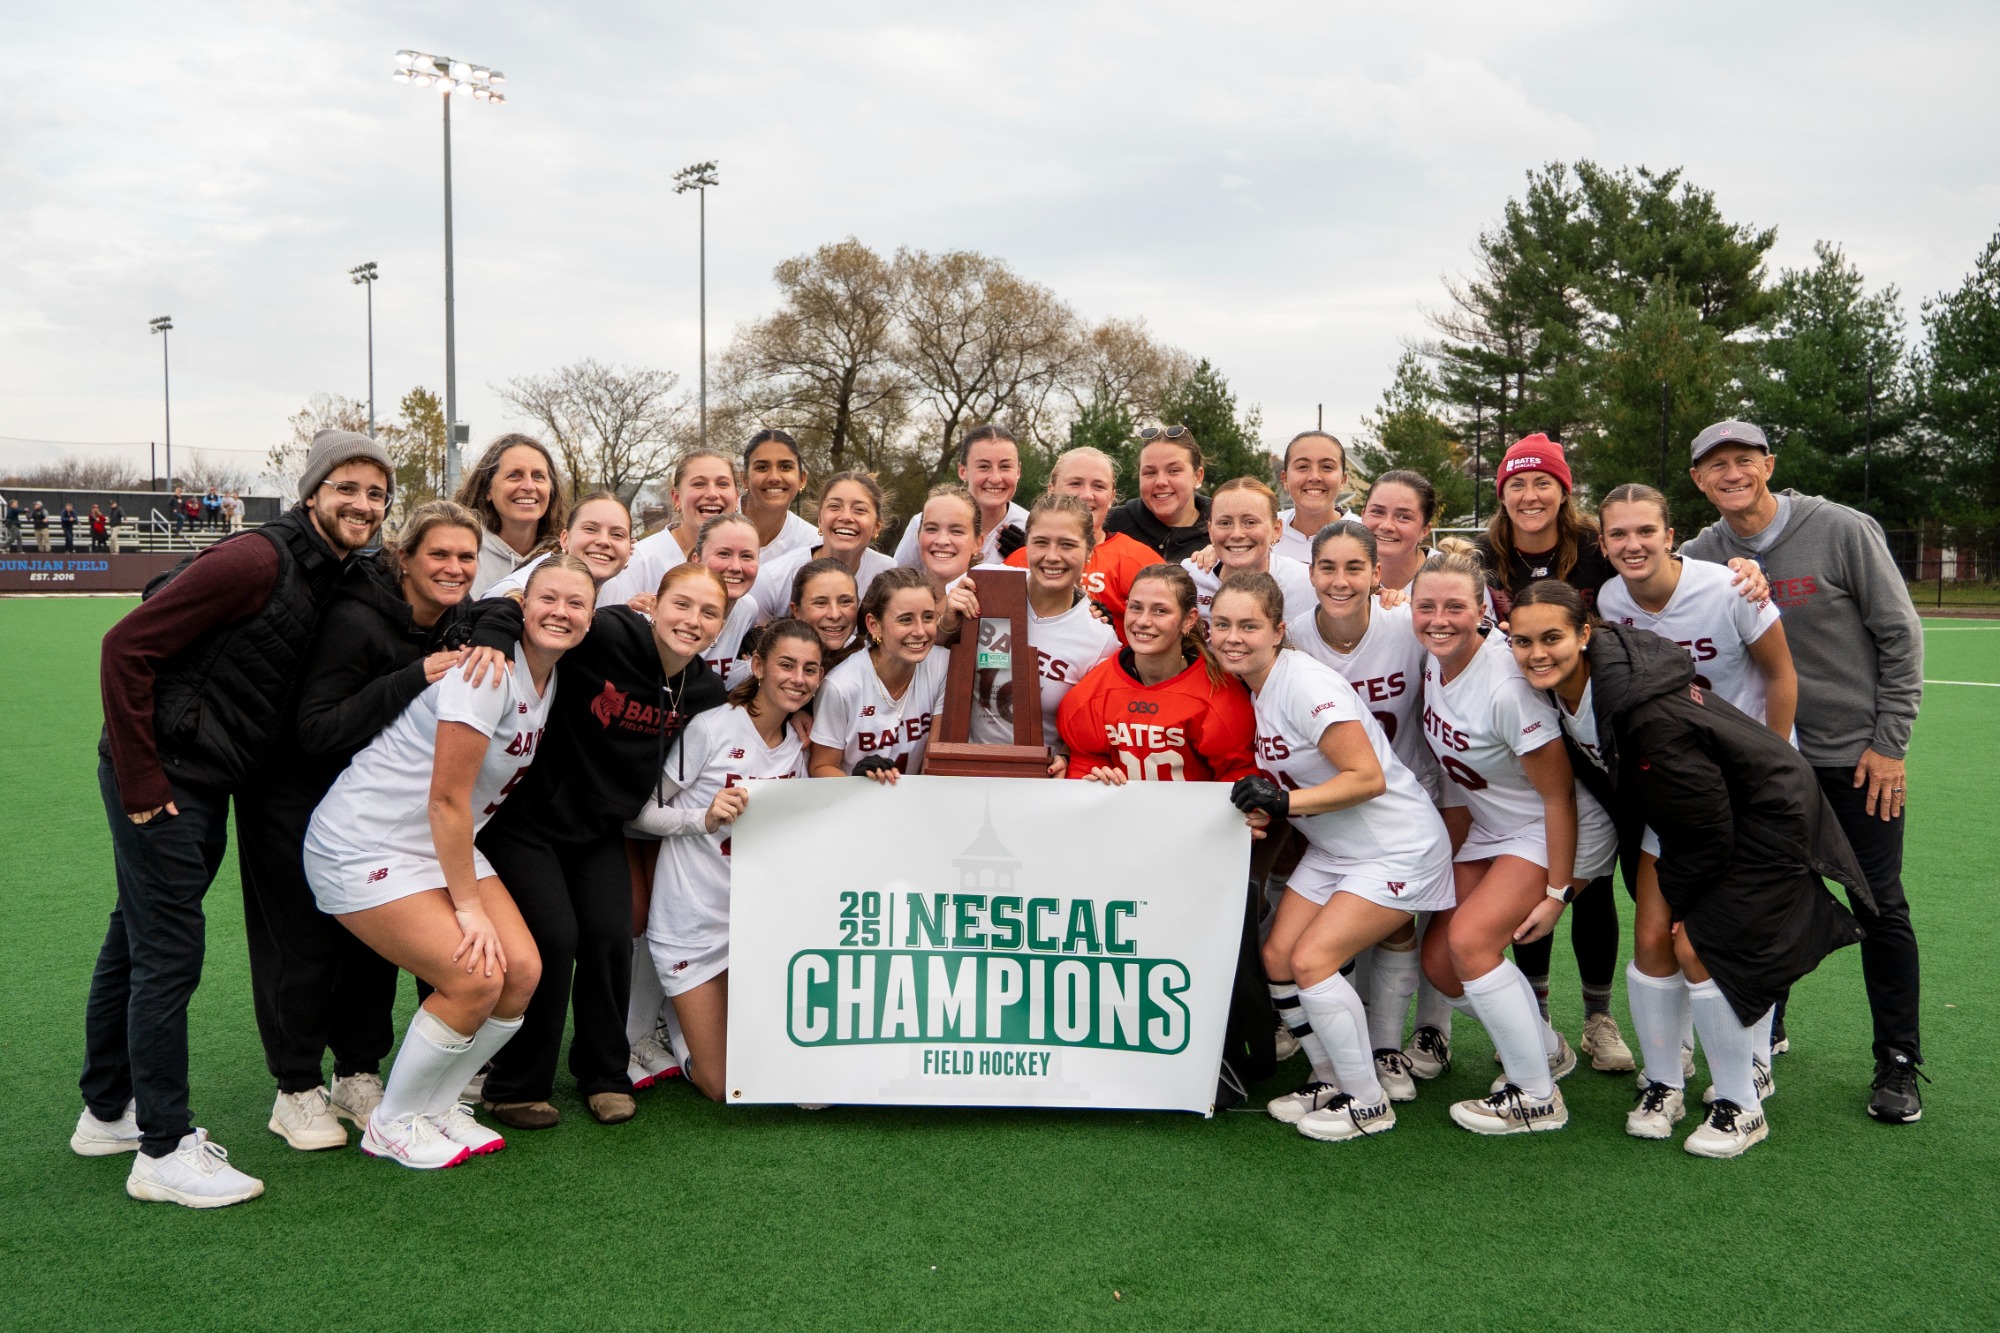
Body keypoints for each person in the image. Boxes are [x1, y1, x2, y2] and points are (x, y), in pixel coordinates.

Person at [71, 429, 393, 1208]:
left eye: (376, 492)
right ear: (311, 492)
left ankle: (107, 1109)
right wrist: (145, 774)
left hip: (210, 776)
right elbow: (126, 646)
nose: (362, 503)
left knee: (135, 934)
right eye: (345, 487)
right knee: (169, 953)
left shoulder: (349, 570)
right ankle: (163, 1149)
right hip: (165, 774)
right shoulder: (258, 557)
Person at [1508, 580, 1869, 1156]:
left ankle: (1740, 1104)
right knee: (1651, 939)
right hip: (1679, 811)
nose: (1537, 653)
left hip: (1757, 815)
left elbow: (1707, 824)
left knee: (1698, 947)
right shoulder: (1563, 686)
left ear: (1585, 634)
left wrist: (1691, 906)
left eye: (1552, 637)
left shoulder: (1644, 712)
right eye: (1522, 641)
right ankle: (1665, 1086)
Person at [1473, 438, 1766, 1076]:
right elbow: (1429, 594)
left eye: (1543, 484)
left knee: (1605, 883)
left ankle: (1602, 1018)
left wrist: (1746, 570)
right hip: (1524, 737)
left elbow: (1663, 561)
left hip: (1611, 739)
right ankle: (1539, 1015)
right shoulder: (1479, 558)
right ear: (1501, 493)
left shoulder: (1597, 550)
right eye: (1517, 485)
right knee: (1542, 874)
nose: (1531, 496)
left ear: (1563, 491)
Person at [242, 501, 512, 1152]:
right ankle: (295, 1086)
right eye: (438, 554)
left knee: (372, 950)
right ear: (405, 558)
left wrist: (497, 631)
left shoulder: (453, 616)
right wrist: (414, 674)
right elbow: (317, 728)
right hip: (296, 791)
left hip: (376, 802)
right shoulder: (357, 615)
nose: (453, 567)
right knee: (303, 946)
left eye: (466, 556)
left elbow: (504, 605)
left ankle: (357, 1072)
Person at [1678, 418, 1927, 1123]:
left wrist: (1890, 742)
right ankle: (1767, 1027)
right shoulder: (1701, 553)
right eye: (1715, 465)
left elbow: (1899, 635)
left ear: (1768, 464)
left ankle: (1899, 1061)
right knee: (1766, 896)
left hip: (1854, 756)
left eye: (1744, 459)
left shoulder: (1840, 529)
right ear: (1699, 480)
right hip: (1761, 763)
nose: (1731, 473)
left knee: (1879, 904)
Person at [304, 556, 590, 1167]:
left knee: (522, 975)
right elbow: (446, 800)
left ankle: (433, 1107)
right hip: (364, 845)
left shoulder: (548, 677)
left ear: (590, 621)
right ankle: (393, 1121)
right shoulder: (489, 673)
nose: (561, 612)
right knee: (474, 976)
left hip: (431, 844)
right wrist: (469, 907)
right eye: (549, 599)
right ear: (522, 606)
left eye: (577, 604)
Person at [470, 563, 731, 1130]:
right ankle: (516, 1085)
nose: (692, 620)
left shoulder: (706, 691)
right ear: (653, 606)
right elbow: (527, 613)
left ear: (721, 626)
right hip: (526, 818)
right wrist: (492, 631)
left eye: (709, 613)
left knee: (612, 937)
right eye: (681, 605)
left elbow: (752, 715)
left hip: (596, 830)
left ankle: (604, 1074)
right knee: (556, 939)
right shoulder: (609, 633)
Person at [1213, 571, 1455, 1142]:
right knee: (1277, 956)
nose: (1233, 637)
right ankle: (1331, 1079)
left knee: (1313, 961)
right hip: (1336, 847)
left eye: (1249, 625)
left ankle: (1368, 1101)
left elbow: (1366, 777)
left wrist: (1283, 800)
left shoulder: (1303, 683)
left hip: (1396, 847)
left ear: (1277, 631)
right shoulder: (1254, 685)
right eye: (1222, 624)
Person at [1409, 547, 1617, 1135]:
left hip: (1553, 827)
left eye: (1455, 606)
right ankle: (1545, 1047)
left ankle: (1535, 1096)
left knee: (1472, 943)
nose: (1438, 619)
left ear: (1483, 610)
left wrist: (1556, 892)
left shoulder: (1505, 685)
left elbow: (1559, 798)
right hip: (1496, 825)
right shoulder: (1435, 657)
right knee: (1440, 963)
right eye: (1426, 606)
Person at [630, 619, 823, 1101]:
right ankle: (676, 1019)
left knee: (783, 1070)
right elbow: (638, 815)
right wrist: (704, 818)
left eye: (811, 669)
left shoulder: (798, 744)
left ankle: (696, 1015)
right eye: (786, 665)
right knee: (724, 1086)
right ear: (758, 665)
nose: (798, 678)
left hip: (755, 925)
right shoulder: (711, 728)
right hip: (691, 922)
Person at [1291, 520, 1456, 1084]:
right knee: (1334, 934)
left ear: (1377, 573)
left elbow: (1476, 647)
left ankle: (1387, 1048)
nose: (1341, 581)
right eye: (1328, 568)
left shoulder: (1406, 628)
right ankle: (1353, 1045)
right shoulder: (1288, 639)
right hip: (1329, 814)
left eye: (1354, 567)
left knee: (1397, 926)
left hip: (1406, 803)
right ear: (1309, 573)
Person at [947, 494, 1117, 768]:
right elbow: (935, 650)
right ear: (1026, 544)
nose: (1052, 556)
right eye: (1041, 542)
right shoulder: (987, 582)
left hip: (1037, 779)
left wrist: (1065, 755)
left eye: (1067, 545)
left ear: (1089, 552)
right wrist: (947, 619)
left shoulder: (1100, 639)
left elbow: (1089, 727)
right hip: (963, 765)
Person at [1061, 564, 1257, 785]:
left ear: (1189, 620)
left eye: (1160, 610)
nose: (1143, 621)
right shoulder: (1093, 692)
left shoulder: (1220, 697)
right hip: (1119, 816)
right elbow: (1084, 763)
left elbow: (1240, 779)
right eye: (1135, 608)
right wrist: (1095, 780)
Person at [1002, 446, 1162, 642]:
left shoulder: (1140, 561)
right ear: (1051, 490)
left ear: (1111, 496)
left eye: (1099, 486)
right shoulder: (1019, 561)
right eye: (1075, 483)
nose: (1087, 495)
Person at [809, 566, 947, 780]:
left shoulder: (941, 665)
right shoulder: (841, 686)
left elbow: (934, 761)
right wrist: (859, 783)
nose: (920, 631)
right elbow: (820, 767)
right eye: (905, 619)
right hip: (855, 805)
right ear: (874, 625)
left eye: (928, 617)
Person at [750, 471, 898, 624]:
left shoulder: (887, 574)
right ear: (820, 520)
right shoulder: (773, 579)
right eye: (834, 506)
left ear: (877, 526)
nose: (846, 517)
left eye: (860, 509)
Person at [599, 449, 740, 606]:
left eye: (722, 484)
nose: (712, 494)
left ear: (736, 497)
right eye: (699, 484)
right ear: (676, 498)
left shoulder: (747, 566)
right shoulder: (641, 559)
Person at [1182, 478, 1317, 627]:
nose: (1236, 534)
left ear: (1276, 530)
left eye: (1250, 522)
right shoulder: (1190, 577)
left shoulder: (1306, 583)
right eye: (1225, 523)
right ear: (1210, 530)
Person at [893, 424, 1027, 567]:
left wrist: (1025, 556)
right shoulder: (923, 524)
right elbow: (896, 584)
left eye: (1005, 466)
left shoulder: (1031, 528)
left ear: (1018, 471)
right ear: (963, 471)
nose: (995, 478)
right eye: (984, 466)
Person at [454, 434, 567, 596]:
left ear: (551, 490)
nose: (529, 486)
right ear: (487, 490)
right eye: (514, 475)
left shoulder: (564, 555)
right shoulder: (463, 553)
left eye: (538, 476)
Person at [480, 491, 638, 604]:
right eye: (590, 529)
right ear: (565, 539)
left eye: (617, 534)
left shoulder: (611, 588)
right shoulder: (510, 594)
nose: (604, 541)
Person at [1104, 426, 1212, 562]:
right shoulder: (1110, 525)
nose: (1161, 482)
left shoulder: (1223, 531)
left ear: (1198, 476)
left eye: (1173, 470)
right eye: (1150, 472)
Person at [739, 428, 821, 558]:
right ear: (744, 479)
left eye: (786, 467)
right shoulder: (712, 525)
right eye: (762, 467)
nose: (774, 477)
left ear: (802, 479)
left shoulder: (814, 544)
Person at [1272, 430, 1351, 562]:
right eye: (1303, 467)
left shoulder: (1366, 534)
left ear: (1343, 480)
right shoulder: (1263, 530)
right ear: (1285, 479)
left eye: (1327, 467)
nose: (1314, 477)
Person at [1361, 470, 1439, 595]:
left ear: (1424, 530)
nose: (1386, 525)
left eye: (1403, 517)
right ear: (1363, 515)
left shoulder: (1456, 577)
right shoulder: (1339, 573)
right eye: (1377, 512)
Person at [788, 557, 862, 663]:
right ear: (796, 611)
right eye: (820, 603)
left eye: (845, 601)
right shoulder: (772, 657)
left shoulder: (868, 661)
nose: (835, 615)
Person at [914, 485, 983, 596]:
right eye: (931, 529)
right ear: (918, 535)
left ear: (978, 543)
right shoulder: (893, 600)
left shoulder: (993, 602)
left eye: (956, 531)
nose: (942, 541)